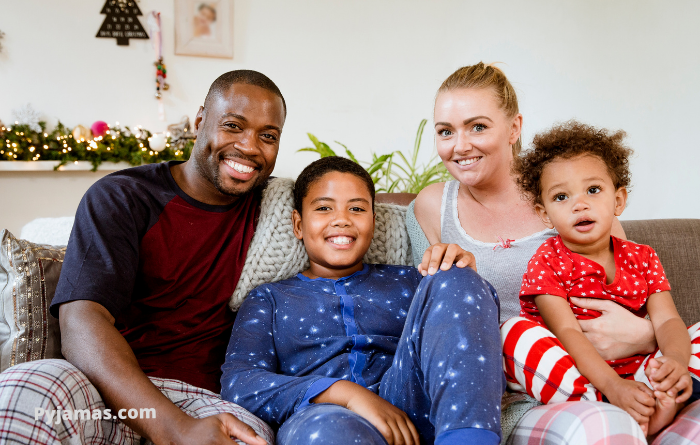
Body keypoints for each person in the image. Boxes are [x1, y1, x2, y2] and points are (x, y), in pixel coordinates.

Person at [407, 62, 700, 443]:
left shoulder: (567, 192)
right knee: (511, 332)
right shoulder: (431, 206)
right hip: (529, 374)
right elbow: (424, 313)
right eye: (446, 131)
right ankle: (624, 403)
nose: (460, 145)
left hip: (622, 360)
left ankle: (658, 396)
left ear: (514, 128)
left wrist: (651, 340)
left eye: (477, 126)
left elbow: (633, 295)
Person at [0, 70, 286, 445]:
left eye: (268, 136)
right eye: (233, 126)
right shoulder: (124, 197)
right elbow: (81, 320)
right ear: (200, 121)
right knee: (25, 388)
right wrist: (172, 427)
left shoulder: (282, 211)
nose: (249, 147)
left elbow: (364, 217)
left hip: (211, 403)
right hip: (108, 394)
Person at [220, 156, 505, 445]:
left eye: (356, 208)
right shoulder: (269, 298)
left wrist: (461, 271)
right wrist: (344, 393)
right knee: (325, 430)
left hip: (413, 408)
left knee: (454, 275)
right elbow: (240, 382)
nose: (342, 219)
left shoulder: (412, 279)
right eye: (323, 208)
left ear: (373, 220)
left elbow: (471, 320)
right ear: (298, 224)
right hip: (323, 418)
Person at [501, 120, 700, 437]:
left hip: (640, 374)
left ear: (618, 200)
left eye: (593, 190)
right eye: (561, 197)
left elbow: (667, 321)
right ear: (544, 213)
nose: (579, 203)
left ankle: (664, 395)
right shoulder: (547, 262)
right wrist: (612, 387)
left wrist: (675, 361)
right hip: (578, 377)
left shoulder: (643, 257)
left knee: (696, 333)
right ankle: (613, 407)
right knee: (512, 333)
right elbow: (566, 332)